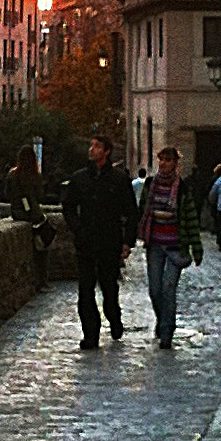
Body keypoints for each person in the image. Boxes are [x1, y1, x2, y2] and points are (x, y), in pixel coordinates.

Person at [61, 134, 138, 350]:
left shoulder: (119, 179)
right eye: (91, 145)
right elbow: (68, 207)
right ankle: (90, 335)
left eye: (97, 146)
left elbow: (131, 212)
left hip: (109, 241)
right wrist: (77, 229)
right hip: (86, 242)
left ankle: (114, 318)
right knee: (85, 290)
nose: (91, 149)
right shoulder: (79, 179)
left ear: (107, 152)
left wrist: (127, 242)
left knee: (108, 287)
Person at [136, 145, 204, 348]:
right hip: (155, 244)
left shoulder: (182, 188)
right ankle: (162, 318)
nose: (164, 164)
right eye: (161, 160)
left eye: (168, 160)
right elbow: (142, 211)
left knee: (168, 289)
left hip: (176, 246)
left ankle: (167, 331)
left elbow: (190, 217)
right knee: (155, 290)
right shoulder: (150, 185)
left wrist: (196, 246)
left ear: (175, 163)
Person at [7, 144, 52, 290]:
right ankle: (42, 281)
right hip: (35, 216)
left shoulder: (12, 175)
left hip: (18, 213)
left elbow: (6, 194)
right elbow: (40, 196)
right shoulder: (34, 176)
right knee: (42, 248)